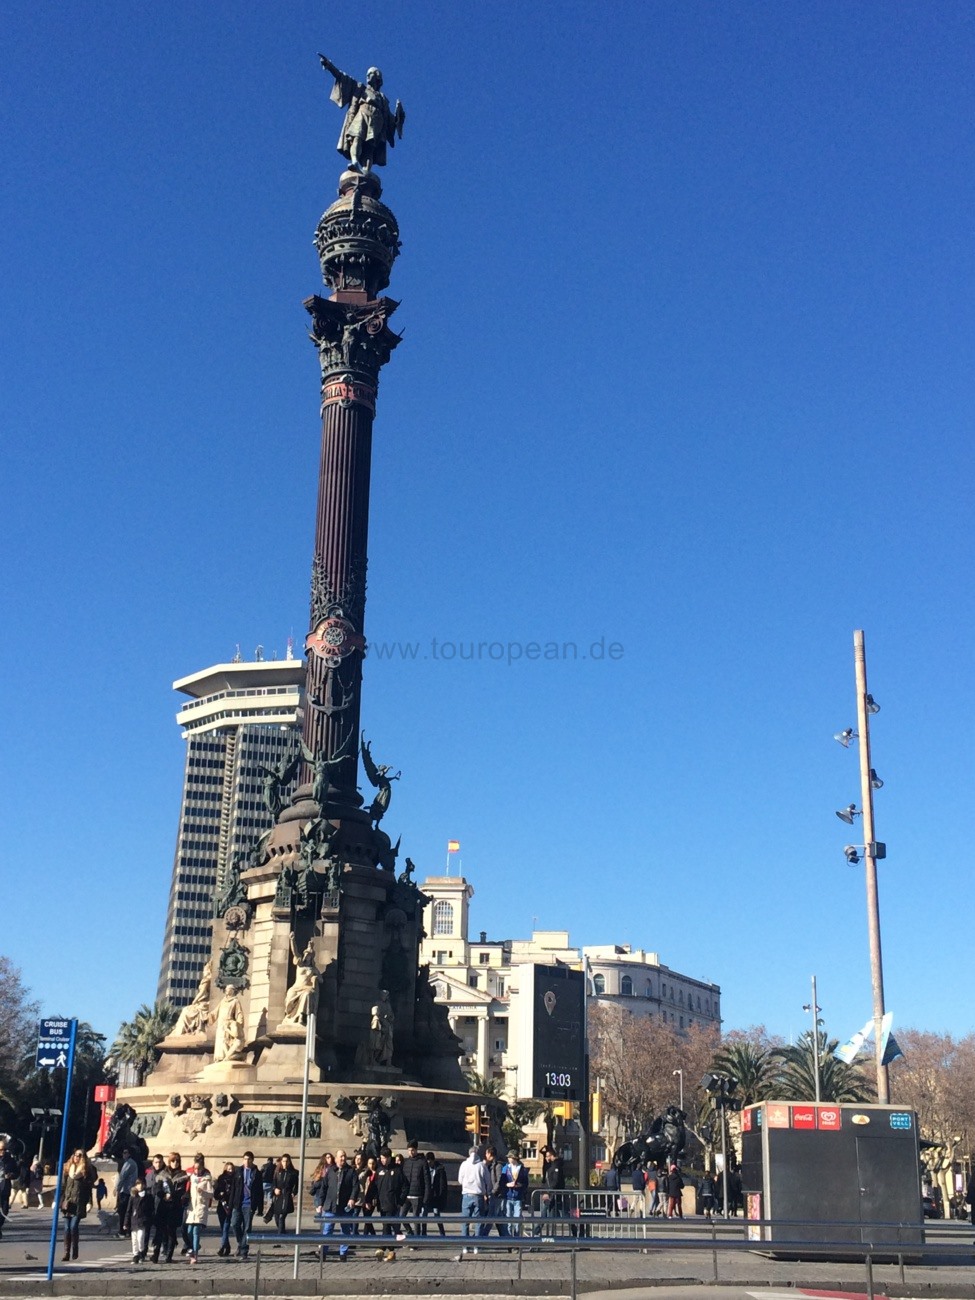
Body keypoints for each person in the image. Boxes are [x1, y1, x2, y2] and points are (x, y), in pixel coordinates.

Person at [318, 56, 405, 173]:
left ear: (378, 77)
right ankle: (354, 161)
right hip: (362, 115)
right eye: (367, 74)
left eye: (371, 74)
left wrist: (399, 117)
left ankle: (366, 171)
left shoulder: (382, 98)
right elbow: (343, 77)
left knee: (370, 148)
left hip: (376, 121)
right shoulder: (360, 88)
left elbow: (390, 119)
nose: (368, 76)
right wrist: (330, 66)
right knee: (356, 138)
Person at [58, 1148, 97, 1261]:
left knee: (73, 1226)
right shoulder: (68, 1169)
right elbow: (63, 1187)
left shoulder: (86, 1172)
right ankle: (66, 1253)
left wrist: (89, 1202)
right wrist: (57, 1200)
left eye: (79, 1155)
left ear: (83, 1158)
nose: (77, 1157)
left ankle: (75, 1248)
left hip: (79, 1203)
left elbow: (88, 1188)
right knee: (66, 1228)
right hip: (67, 1203)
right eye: (75, 1155)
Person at [321, 1148, 357, 1260]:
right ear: (336, 1159)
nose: (343, 1158)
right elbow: (324, 1187)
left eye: (344, 1156)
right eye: (340, 1156)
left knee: (345, 1230)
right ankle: (323, 1252)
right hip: (330, 1206)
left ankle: (343, 1253)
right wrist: (320, 1203)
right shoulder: (331, 1171)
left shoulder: (351, 1171)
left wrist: (352, 1199)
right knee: (327, 1230)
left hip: (345, 1207)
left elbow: (355, 1187)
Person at [228, 1150, 263, 1259]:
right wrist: (230, 1204)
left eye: (249, 1159)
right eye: (245, 1159)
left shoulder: (257, 1173)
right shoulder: (238, 1171)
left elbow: (260, 1191)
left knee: (247, 1228)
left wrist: (260, 1208)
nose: (246, 1161)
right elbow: (233, 1188)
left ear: (252, 1160)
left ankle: (244, 1250)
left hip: (249, 1203)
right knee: (234, 1224)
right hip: (238, 1203)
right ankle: (241, 1243)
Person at [456, 1145, 489, 1255]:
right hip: (478, 1195)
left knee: (465, 1221)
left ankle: (465, 1246)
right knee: (478, 1221)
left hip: (466, 1195)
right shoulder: (482, 1165)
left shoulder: (464, 1164)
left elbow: (460, 1180)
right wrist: (486, 1191)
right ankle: (476, 1246)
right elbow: (488, 1181)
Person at [374, 1147, 405, 1262]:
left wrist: (400, 1200)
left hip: (392, 1203)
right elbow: (375, 1186)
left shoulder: (397, 1170)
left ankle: (386, 1249)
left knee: (386, 1225)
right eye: (382, 1158)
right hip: (381, 1203)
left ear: (390, 1158)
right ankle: (388, 1249)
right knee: (385, 1225)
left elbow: (405, 1186)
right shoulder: (379, 1170)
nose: (384, 1160)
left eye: (386, 1158)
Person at [184, 1153, 213, 1264]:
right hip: (192, 1207)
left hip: (201, 1207)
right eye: (195, 1168)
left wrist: (203, 1192)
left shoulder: (207, 1178)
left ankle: (195, 1254)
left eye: (198, 1168)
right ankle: (194, 1246)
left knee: (196, 1231)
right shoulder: (192, 1177)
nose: (196, 1170)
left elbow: (211, 1194)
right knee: (189, 1231)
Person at [147, 1153, 173, 1263]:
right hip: (151, 1205)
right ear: (153, 1163)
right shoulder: (149, 1174)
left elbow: (168, 1191)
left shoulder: (165, 1175)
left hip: (162, 1206)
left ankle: (158, 1253)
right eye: (156, 1162)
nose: (158, 1164)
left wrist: (163, 1194)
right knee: (152, 1230)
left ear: (163, 1162)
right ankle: (149, 1252)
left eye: (160, 1162)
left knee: (161, 1230)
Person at [400, 1141, 429, 1237]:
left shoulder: (422, 1162)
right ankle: (410, 1233)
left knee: (416, 1218)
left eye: (412, 1150)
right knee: (401, 1216)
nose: (411, 1152)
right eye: (409, 1150)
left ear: (416, 1150)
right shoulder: (406, 1162)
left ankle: (416, 1238)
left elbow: (427, 1180)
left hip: (417, 1195)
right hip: (406, 1195)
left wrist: (426, 1197)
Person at [479, 1145, 508, 1240]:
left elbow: (499, 1181)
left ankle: (481, 1238)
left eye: (486, 1153)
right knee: (499, 1220)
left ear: (489, 1154)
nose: (485, 1155)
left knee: (490, 1218)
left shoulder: (497, 1165)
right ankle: (508, 1240)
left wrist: (493, 1192)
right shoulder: (491, 1165)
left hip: (496, 1195)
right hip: (493, 1194)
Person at [122, 1175, 153, 1263]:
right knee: (134, 1240)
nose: (140, 1186)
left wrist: (149, 1220)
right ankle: (135, 1255)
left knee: (140, 1239)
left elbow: (151, 1209)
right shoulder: (133, 1196)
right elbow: (129, 1210)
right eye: (138, 1184)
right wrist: (125, 1223)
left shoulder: (148, 1196)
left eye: (141, 1184)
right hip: (134, 1221)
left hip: (143, 1221)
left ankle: (141, 1252)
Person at [538, 1146, 566, 1237]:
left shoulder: (556, 1166)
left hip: (553, 1194)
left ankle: (536, 1231)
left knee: (545, 1213)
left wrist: (548, 1192)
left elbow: (555, 1181)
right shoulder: (552, 1165)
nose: (546, 1158)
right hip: (553, 1193)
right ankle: (538, 1231)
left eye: (547, 1156)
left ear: (551, 1156)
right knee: (560, 1213)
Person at [501, 1148, 529, 1237]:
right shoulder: (506, 1168)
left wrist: (521, 1185)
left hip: (518, 1197)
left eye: (510, 1157)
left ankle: (517, 1239)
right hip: (508, 1196)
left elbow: (526, 1183)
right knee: (508, 1221)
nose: (508, 1159)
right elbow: (502, 1182)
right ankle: (509, 1239)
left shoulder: (522, 1169)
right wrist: (507, 1184)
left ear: (515, 1158)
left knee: (517, 1221)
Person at [421, 1151, 447, 1237]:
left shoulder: (439, 1169)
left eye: (430, 1162)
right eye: (427, 1162)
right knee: (424, 1213)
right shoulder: (425, 1168)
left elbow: (442, 1183)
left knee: (436, 1213)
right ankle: (423, 1232)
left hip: (435, 1195)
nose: (429, 1164)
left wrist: (441, 1195)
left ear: (433, 1160)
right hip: (427, 1194)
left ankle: (442, 1233)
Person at [271, 1153, 298, 1233]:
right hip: (278, 1196)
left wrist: (293, 1193)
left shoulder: (293, 1173)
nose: (285, 1163)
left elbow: (296, 1185)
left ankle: (279, 1236)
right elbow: (274, 1182)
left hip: (287, 1196)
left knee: (281, 1217)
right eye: (283, 1161)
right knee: (277, 1216)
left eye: (287, 1161)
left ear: (289, 1162)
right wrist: (275, 1189)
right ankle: (282, 1232)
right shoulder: (277, 1171)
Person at [115, 1146, 139, 1238]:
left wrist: (117, 1188)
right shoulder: (130, 1163)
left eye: (125, 1153)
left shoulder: (129, 1163)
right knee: (127, 1211)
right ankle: (127, 1230)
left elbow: (122, 1177)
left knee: (123, 1211)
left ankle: (122, 1230)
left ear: (129, 1154)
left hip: (126, 1191)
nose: (123, 1154)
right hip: (128, 1190)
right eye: (123, 1153)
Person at [214, 1161, 235, 1256]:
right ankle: (228, 1247)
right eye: (229, 1169)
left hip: (229, 1206)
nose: (230, 1171)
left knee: (226, 1227)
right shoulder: (221, 1179)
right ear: (225, 1169)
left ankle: (222, 1247)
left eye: (232, 1169)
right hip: (221, 1206)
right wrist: (220, 1194)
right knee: (223, 1228)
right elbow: (216, 1194)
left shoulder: (235, 1179)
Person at [355, 1155, 379, 1237]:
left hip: (372, 1198)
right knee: (366, 1218)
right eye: (369, 1163)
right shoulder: (365, 1173)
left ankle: (372, 1235)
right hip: (364, 1197)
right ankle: (366, 1236)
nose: (371, 1165)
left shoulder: (377, 1173)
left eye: (373, 1163)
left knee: (367, 1217)